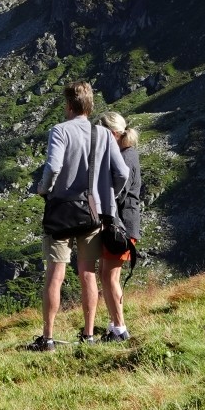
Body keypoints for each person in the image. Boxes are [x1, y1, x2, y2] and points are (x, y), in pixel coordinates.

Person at [28, 80, 127, 350]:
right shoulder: (103, 135)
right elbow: (123, 174)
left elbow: (53, 167)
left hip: (61, 213)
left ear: (69, 105)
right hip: (91, 213)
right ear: (90, 105)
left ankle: (48, 338)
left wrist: (43, 190)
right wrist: (106, 196)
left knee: (55, 274)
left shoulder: (59, 131)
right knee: (88, 273)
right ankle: (89, 335)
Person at [95, 111, 142, 343]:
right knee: (106, 274)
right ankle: (114, 325)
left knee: (110, 276)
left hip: (120, 227)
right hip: (123, 225)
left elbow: (119, 193)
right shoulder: (127, 153)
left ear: (112, 134)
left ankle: (120, 329)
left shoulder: (125, 157)